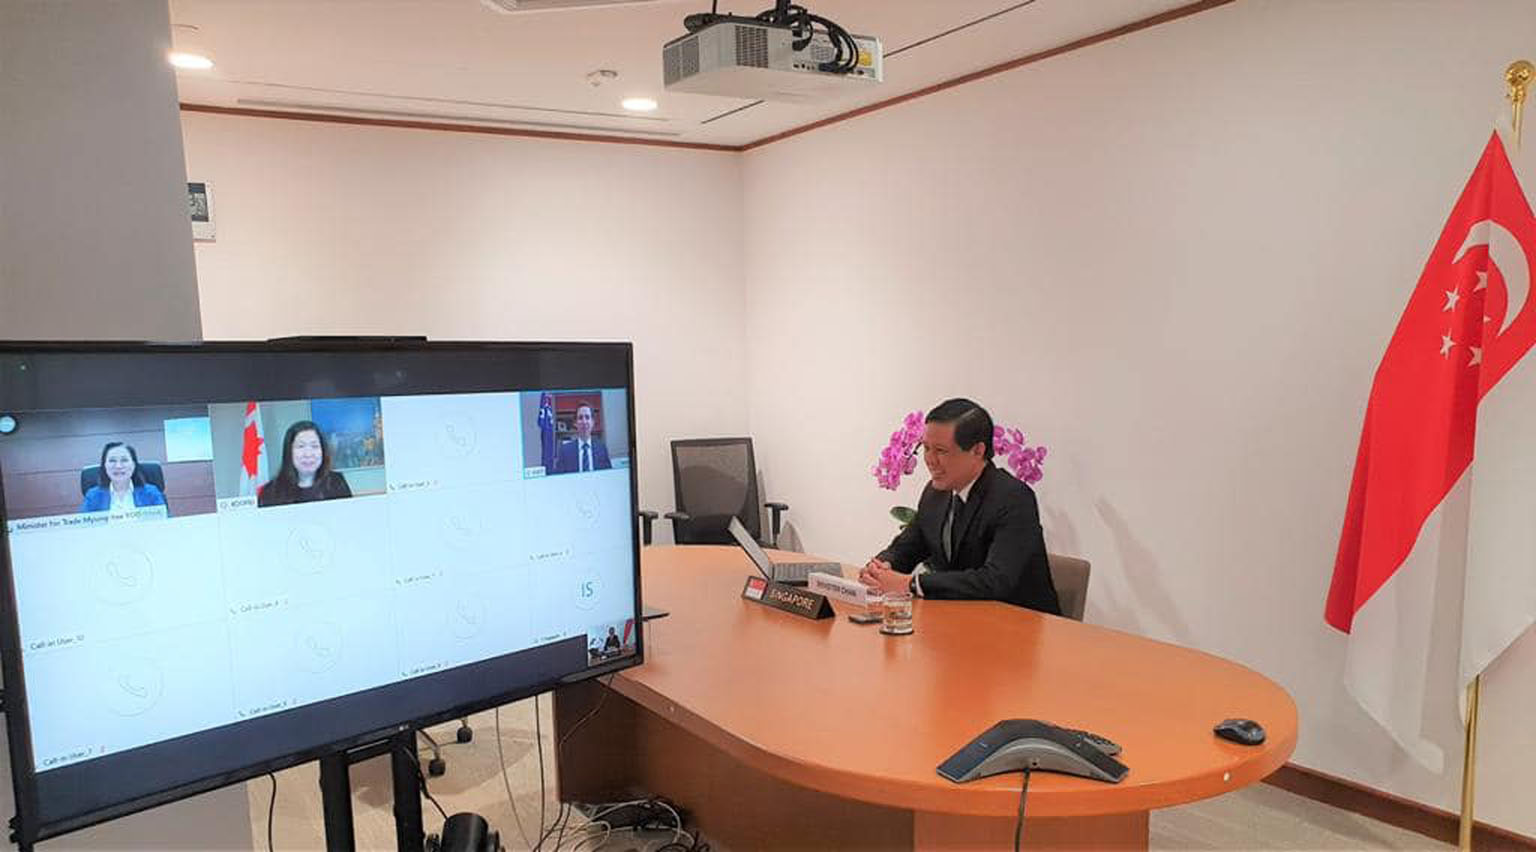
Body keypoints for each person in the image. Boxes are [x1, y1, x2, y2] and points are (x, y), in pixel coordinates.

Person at [859, 399, 1061, 614]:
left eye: (941, 451)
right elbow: (907, 547)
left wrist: (911, 584)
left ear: (977, 451)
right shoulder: (935, 494)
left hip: (1019, 626)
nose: (930, 460)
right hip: (960, 620)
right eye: (926, 448)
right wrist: (882, 567)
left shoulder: (1013, 498)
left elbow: (995, 580)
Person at [258, 420, 353, 507]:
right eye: (301, 446)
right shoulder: (271, 491)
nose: (308, 454)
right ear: (289, 452)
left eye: (314, 446)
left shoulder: (337, 483)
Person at [80, 442, 168, 514]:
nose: (118, 466)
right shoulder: (93, 496)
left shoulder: (151, 493)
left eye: (124, 460)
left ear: (133, 465)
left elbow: (166, 524)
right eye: (112, 461)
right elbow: (82, 528)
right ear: (105, 466)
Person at [555, 404, 612, 473]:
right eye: (580, 418)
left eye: (587, 417)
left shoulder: (601, 449)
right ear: (575, 423)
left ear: (592, 422)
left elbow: (608, 475)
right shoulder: (565, 451)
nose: (584, 422)